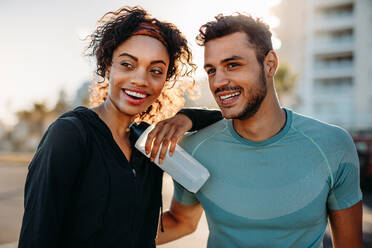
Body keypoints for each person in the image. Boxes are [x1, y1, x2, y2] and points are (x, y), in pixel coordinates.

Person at [146, 13, 363, 247]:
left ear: (269, 64)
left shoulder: (333, 145)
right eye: (211, 70)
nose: (218, 82)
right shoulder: (194, 147)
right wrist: (109, 235)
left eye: (232, 65)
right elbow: (181, 222)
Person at [18, 6, 197, 248]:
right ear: (108, 66)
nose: (140, 80)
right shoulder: (71, 134)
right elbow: (37, 237)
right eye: (127, 64)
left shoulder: (147, 146)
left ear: (164, 80)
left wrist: (187, 117)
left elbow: (226, 119)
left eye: (156, 71)